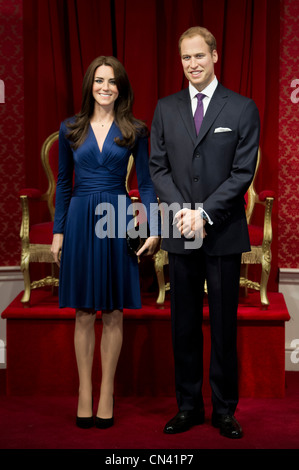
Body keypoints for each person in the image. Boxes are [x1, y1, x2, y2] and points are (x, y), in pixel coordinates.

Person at [149, 26, 260, 439]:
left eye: (199, 56)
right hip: (180, 231)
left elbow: (242, 173)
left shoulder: (242, 108)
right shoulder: (165, 107)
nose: (192, 64)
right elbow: (157, 167)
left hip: (223, 232)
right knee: (184, 326)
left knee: (224, 327)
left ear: (215, 56)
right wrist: (182, 212)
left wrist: (205, 214)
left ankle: (225, 410)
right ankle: (189, 406)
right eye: (185, 58)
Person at [51, 56, 160, 429]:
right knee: (83, 310)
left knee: (113, 310)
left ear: (121, 87)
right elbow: (64, 184)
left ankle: (107, 391)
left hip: (117, 219)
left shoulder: (135, 130)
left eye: (112, 82)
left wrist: (153, 227)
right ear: (90, 85)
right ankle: (84, 391)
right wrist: (58, 232)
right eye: (99, 81)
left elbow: (145, 184)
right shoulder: (70, 129)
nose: (105, 87)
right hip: (81, 219)